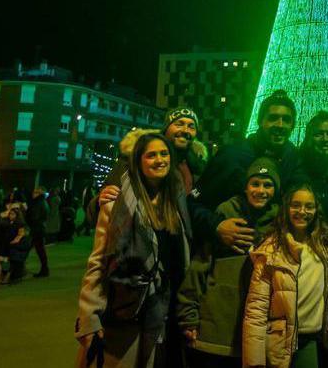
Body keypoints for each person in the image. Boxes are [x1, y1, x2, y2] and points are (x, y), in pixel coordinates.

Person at [76, 131, 192, 368]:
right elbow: (98, 263)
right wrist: (89, 315)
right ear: (138, 161)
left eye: (164, 154)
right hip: (125, 312)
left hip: (166, 313)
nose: (160, 160)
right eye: (151, 155)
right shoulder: (116, 204)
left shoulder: (177, 203)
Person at [179, 158, 281, 367]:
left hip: (254, 329)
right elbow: (200, 266)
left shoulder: (278, 221)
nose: (260, 190)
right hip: (216, 323)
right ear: (245, 187)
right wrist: (188, 315)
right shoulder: (226, 213)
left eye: (267, 185)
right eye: (255, 184)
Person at [193, 90, 305, 253]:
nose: (280, 125)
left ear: (292, 126)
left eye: (286, 120)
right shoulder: (232, 156)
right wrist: (216, 225)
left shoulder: (293, 157)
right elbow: (193, 203)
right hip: (229, 256)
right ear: (261, 121)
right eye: (273, 118)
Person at [243, 183, 328, 368]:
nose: (302, 211)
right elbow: (256, 311)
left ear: (317, 210)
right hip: (279, 342)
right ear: (286, 208)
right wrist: (254, 363)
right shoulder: (271, 249)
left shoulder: (325, 247)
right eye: (296, 205)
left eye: (309, 206)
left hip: (310, 341)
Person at [164, 107, 207, 196]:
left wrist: (195, 206)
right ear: (166, 128)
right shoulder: (147, 158)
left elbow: (195, 193)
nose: (185, 130)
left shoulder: (197, 164)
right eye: (179, 124)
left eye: (191, 127)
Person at [0, 207, 31, 284]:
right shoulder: (7, 223)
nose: (10, 216)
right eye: (10, 214)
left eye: (12, 214)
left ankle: (8, 276)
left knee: (13, 259)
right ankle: (2, 275)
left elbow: (21, 241)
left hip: (15, 249)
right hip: (10, 247)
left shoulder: (20, 225)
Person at [27, 186, 50, 278]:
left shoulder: (38, 203)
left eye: (36, 192)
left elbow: (34, 217)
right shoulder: (43, 202)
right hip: (39, 228)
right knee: (40, 250)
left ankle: (44, 270)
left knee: (36, 249)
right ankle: (44, 269)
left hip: (36, 229)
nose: (33, 194)